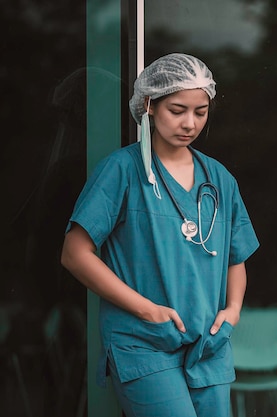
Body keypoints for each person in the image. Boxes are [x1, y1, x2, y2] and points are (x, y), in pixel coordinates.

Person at [61, 53, 259, 417]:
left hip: (208, 348)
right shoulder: (121, 170)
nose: (189, 123)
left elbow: (236, 257)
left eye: (200, 112)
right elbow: (75, 253)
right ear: (149, 105)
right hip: (143, 344)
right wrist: (147, 311)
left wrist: (232, 311)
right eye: (177, 110)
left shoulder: (220, 179)